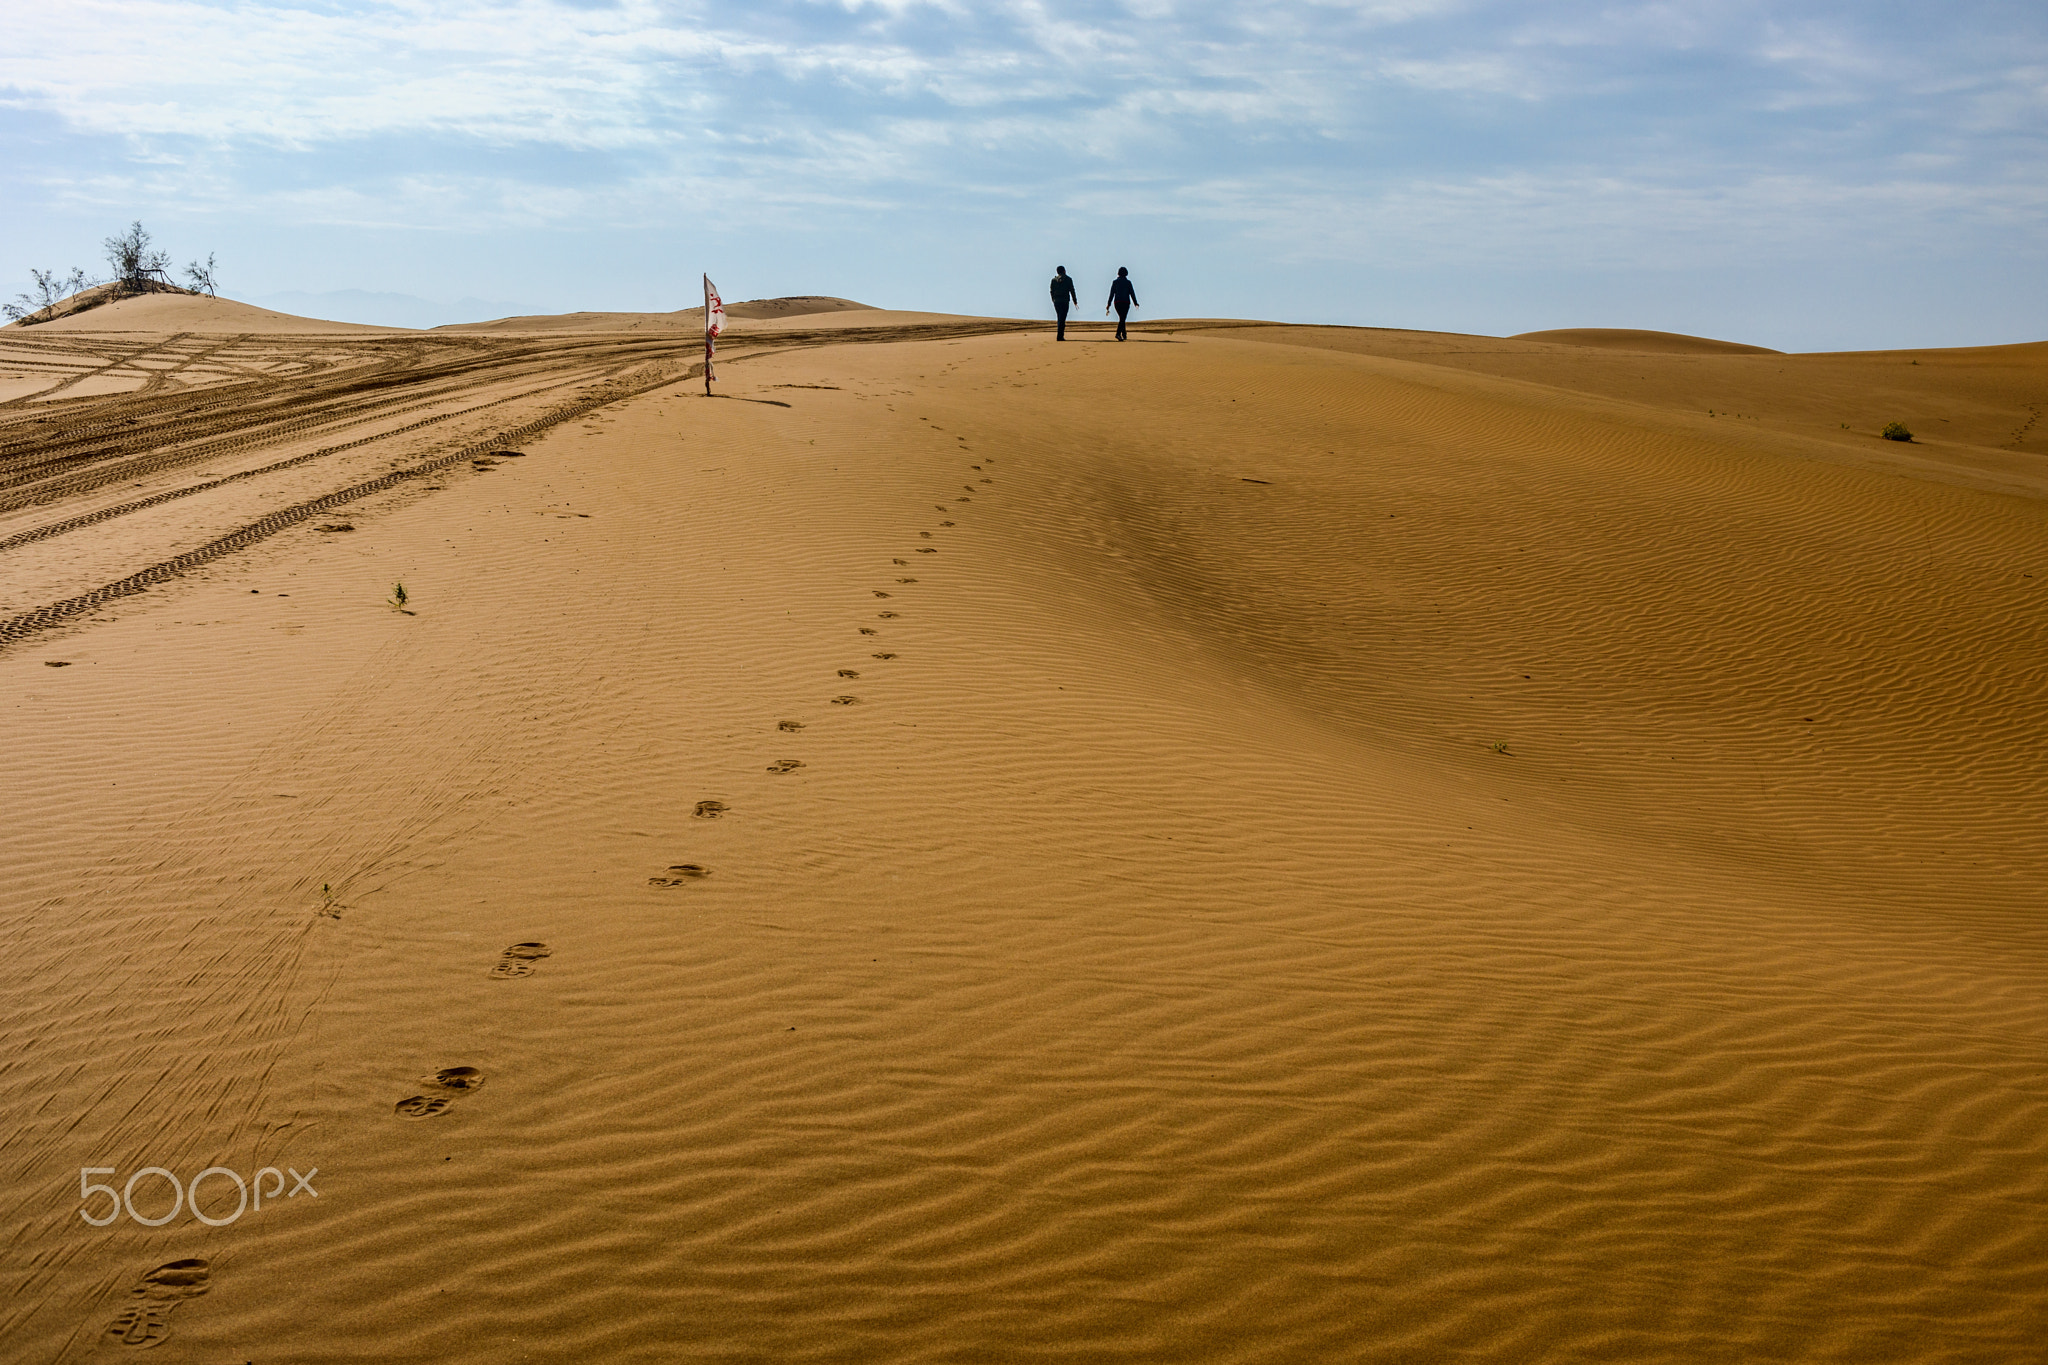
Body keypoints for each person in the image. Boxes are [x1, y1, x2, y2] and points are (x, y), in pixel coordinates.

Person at [1106, 267, 1138, 340]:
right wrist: (1135, 303)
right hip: (1126, 303)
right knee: (1123, 318)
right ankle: (1118, 334)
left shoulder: (1115, 282)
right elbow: (1132, 293)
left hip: (1117, 303)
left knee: (1122, 318)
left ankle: (1124, 334)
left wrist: (1109, 304)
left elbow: (1111, 294)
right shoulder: (1128, 282)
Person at [1050, 266, 1078, 340]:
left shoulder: (1054, 280)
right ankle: (1060, 336)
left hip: (1057, 301)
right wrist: (1075, 301)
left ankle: (1060, 335)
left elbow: (1051, 291)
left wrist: (1053, 299)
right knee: (1062, 318)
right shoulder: (1068, 279)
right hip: (1064, 301)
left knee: (1060, 317)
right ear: (1064, 271)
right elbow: (1072, 290)